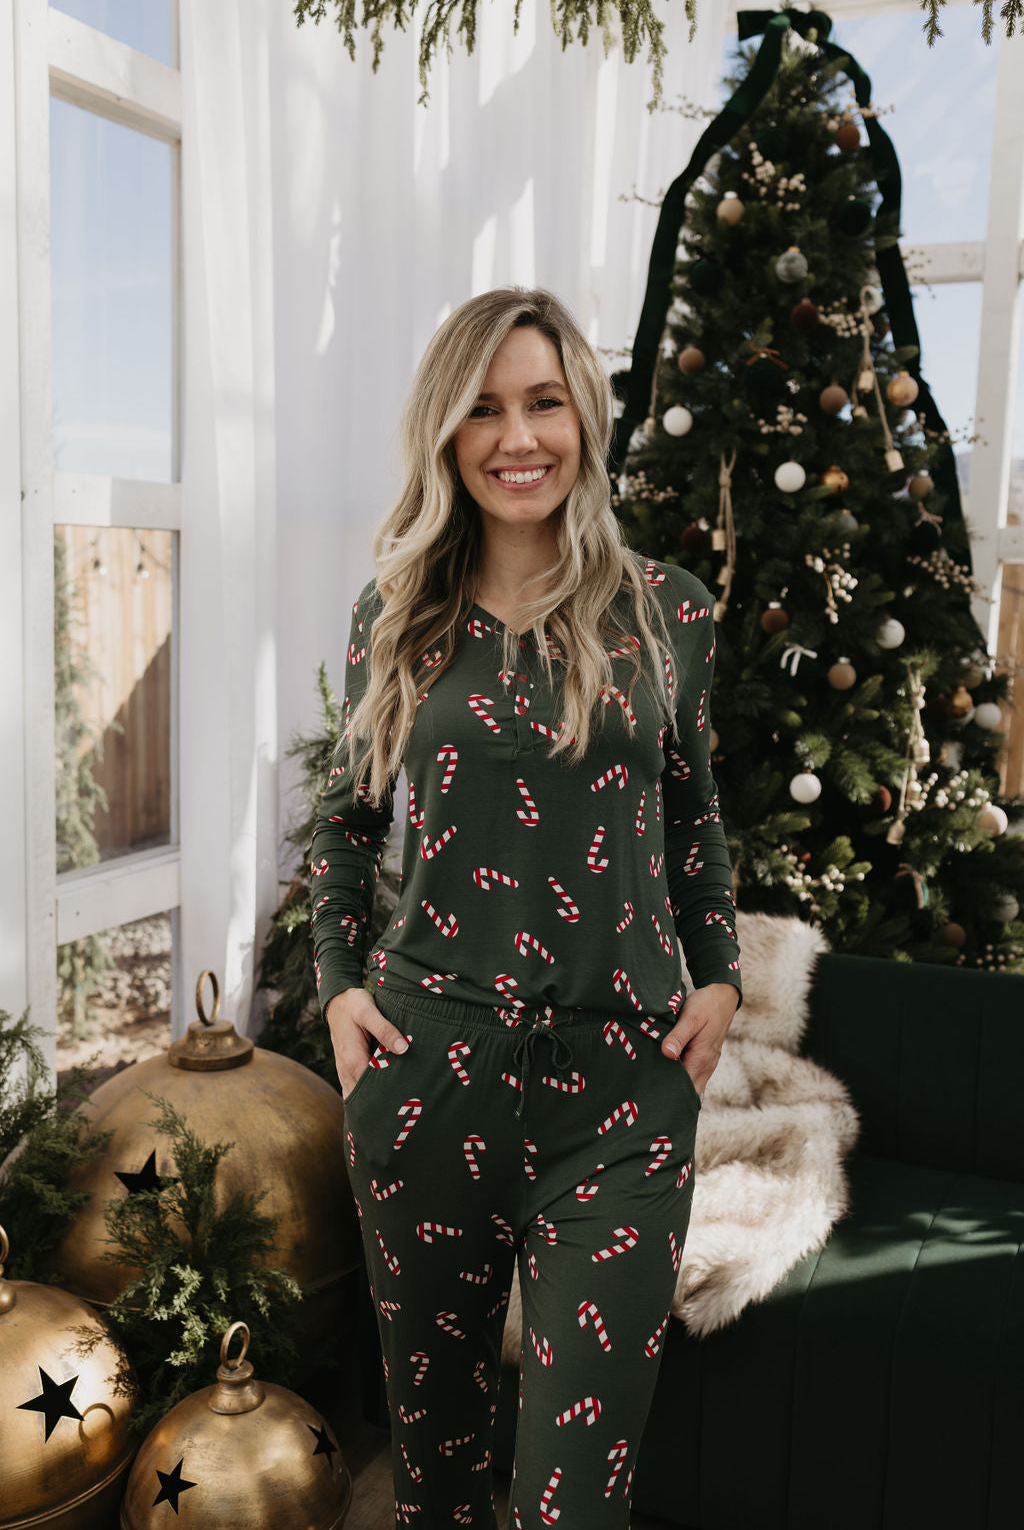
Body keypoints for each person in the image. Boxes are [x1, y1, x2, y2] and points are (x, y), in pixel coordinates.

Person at [311, 285, 741, 1529]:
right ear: (447, 435)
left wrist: (717, 975)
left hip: (619, 1096)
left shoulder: (669, 615)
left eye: (544, 401)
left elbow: (694, 817)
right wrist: (343, 989)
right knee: (437, 1489)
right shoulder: (394, 620)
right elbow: (342, 828)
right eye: (485, 408)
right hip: (428, 1078)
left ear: (583, 418)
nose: (518, 437)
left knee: (574, 1504)